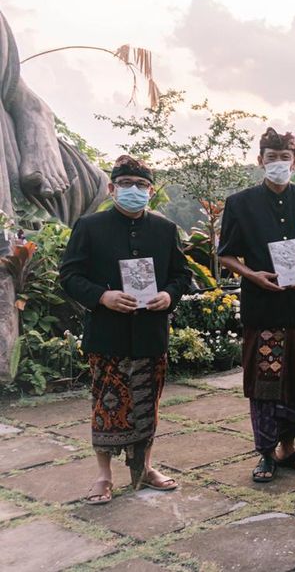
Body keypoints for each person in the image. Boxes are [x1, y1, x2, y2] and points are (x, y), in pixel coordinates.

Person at [60, 155, 192, 504]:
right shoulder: (89, 226)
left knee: (148, 404)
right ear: (111, 188)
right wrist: (103, 296)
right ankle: (103, 475)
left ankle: (146, 467)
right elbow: (70, 275)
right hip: (108, 333)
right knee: (106, 405)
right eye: (126, 184)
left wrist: (168, 294)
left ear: (150, 190)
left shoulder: (164, 230)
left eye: (141, 185)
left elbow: (182, 275)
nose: (134, 191)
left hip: (150, 332)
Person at [218, 128, 295, 483]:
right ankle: (265, 454)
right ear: (260, 161)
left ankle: (289, 447)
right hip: (263, 307)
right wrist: (253, 275)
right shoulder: (240, 203)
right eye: (272, 158)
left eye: (285, 158)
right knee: (264, 382)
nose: (279, 164)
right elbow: (226, 255)